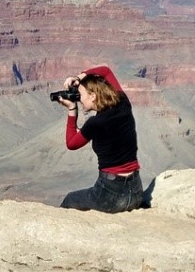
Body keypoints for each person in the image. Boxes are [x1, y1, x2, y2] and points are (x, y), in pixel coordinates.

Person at [58, 65, 143, 212]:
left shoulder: (95, 123)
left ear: (93, 96)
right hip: (135, 192)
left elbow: (71, 143)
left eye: (80, 95)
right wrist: (79, 78)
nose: (79, 99)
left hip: (111, 196)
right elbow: (106, 71)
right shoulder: (123, 103)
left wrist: (72, 109)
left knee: (70, 199)